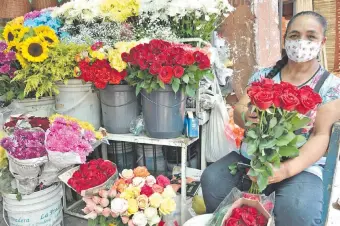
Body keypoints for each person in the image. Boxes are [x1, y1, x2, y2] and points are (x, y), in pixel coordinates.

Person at [201, 11, 340, 226]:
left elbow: (321, 136)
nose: (301, 42)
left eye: (310, 36)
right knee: (213, 181)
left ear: (322, 42)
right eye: (295, 35)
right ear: (286, 39)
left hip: (299, 165)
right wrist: (246, 115)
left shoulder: (330, 87)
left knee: (298, 210)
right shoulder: (264, 76)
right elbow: (240, 108)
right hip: (251, 158)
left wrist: (285, 170)